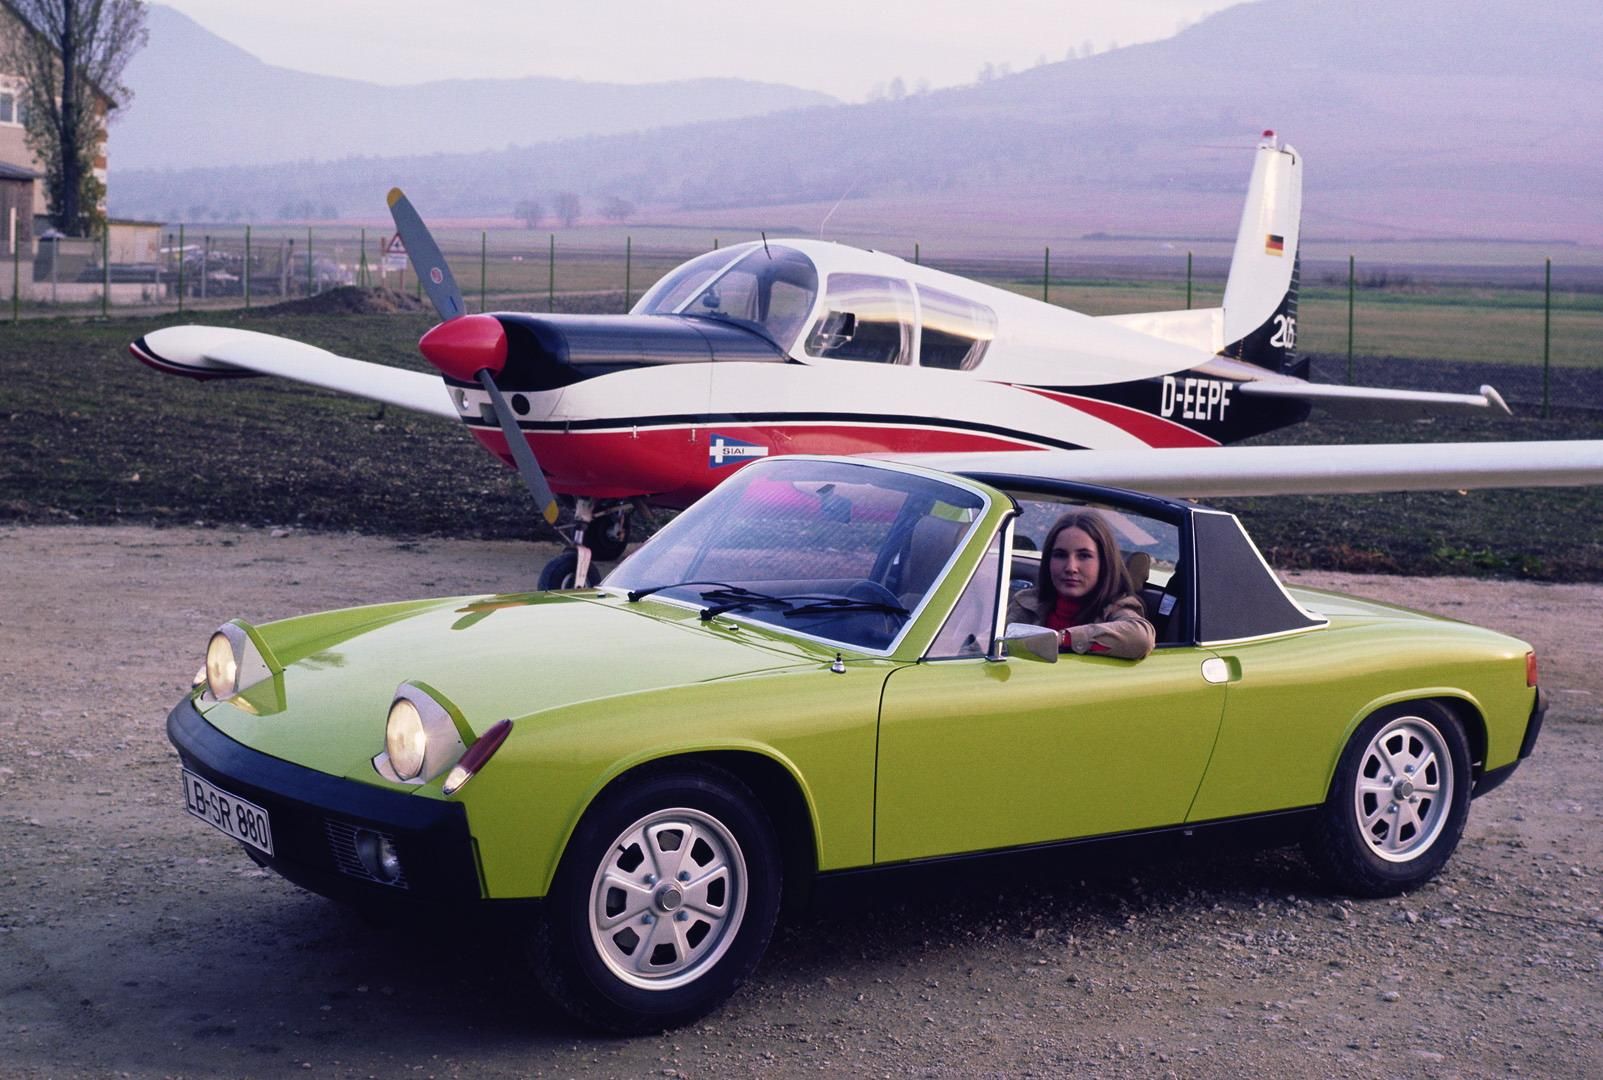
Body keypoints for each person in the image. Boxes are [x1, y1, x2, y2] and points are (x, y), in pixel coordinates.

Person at [1008, 510, 1155, 660]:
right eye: (1060, 555)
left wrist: (1062, 639)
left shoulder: (1117, 607)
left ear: (1103, 562)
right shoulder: (1025, 602)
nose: (1071, 567)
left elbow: (1141, 638)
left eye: (1084, 556)